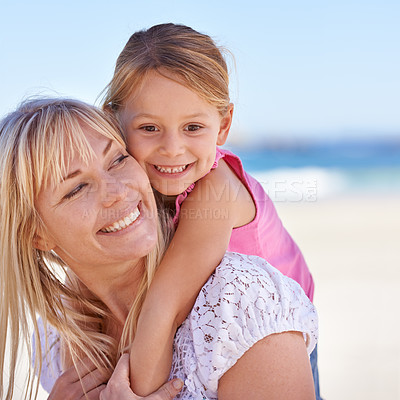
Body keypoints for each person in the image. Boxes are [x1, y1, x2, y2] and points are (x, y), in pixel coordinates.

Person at [0, 98, 317, 400]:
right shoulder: (55, 344)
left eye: (118, 159)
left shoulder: (239, 302)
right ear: (36, 234)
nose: (118, 191)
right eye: (77, 188)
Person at [102, 23, 321, 398]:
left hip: (274, 343)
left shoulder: (215, 189)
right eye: (150, 127)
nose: (172, 149)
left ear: (223, 127)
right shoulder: (132, 185)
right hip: (204, 340)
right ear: (113, 121)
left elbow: (164, 304)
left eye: (193, 127)